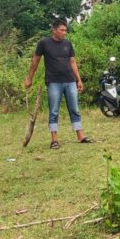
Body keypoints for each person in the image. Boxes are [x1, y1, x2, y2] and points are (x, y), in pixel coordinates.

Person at [24, 19, 92, 149]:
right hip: (54, 82)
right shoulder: (44, 43)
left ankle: (80, 136)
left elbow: (72, 62)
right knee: (54, 111)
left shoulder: (68, 44)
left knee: (75, 109)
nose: (64, 33)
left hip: (70, 81)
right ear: (54, 30)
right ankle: (54, 140)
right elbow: (35, 61)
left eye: (65, 30)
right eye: (62, 30)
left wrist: (79, 79)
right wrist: (29, 78)